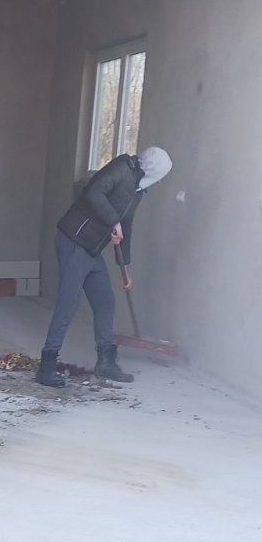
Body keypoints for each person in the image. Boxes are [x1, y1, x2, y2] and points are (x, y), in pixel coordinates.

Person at [35, 145, 172, 388]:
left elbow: (126, 225)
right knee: (68, 304)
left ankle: (106, 362)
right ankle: (46, 364)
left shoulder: (138, 189)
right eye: (161, 176)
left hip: (91, 249)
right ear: (153, 170)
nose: (160, 181)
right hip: (74, 240)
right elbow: (93, 192)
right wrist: (113, 221)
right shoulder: (121, 168)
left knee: (105, 301)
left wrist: (125, 268)